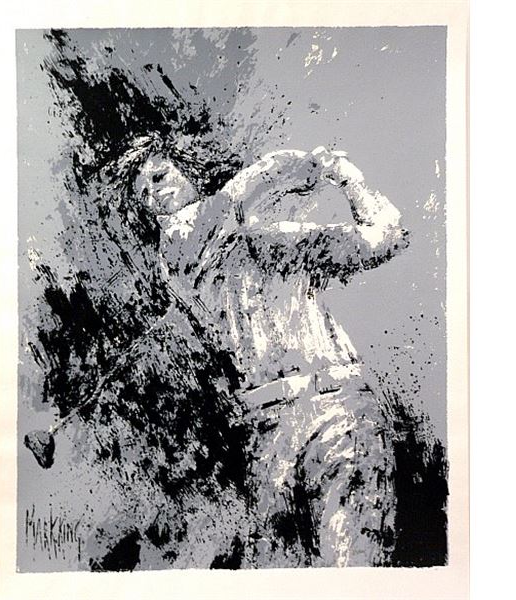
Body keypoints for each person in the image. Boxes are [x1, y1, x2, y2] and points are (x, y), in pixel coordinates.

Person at [122, 142, 411, 567]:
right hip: (270, 434)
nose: (154, 196)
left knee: (351, 568)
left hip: (335, 414)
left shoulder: (272, 242)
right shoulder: (175, 257)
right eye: (144, 194)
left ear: (190, 171)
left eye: (160, 177)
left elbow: (386, 238)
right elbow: (239, 194)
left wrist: (344, 177)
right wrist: (322, 167)